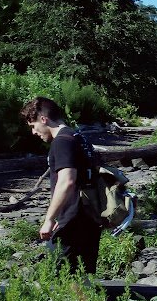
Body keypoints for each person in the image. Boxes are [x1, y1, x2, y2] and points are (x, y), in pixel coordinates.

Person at [20, 97, 101, 273]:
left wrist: (50, 219)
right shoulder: (79, 138)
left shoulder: (62, 141)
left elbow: (67, 181)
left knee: (64, 275)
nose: (33, 132)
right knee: (83, 275)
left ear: (43, 119)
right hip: (90, 217)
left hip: (73, 219)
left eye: (33, 126)